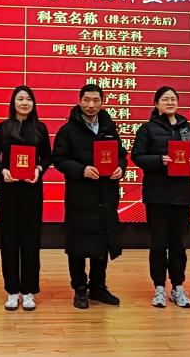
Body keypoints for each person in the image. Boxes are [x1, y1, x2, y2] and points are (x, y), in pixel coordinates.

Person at [52, 84, 127, 310]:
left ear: (102, 102)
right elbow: (59, 159)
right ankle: (79, 288)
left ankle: (98, 286)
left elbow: (121, 154)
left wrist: (121, 167)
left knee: (101, 242)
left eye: (96, 100)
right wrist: (81, 170)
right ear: (79, 101)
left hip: (105, 195)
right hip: (80, 196)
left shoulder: (109, 127)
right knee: (77, 245)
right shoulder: (68, 130)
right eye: (87, 100)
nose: (91, 105)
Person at [131, 86, 190, 308]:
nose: (170, 102)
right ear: (156, 104)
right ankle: (158, 288)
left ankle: (178, 287)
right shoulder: (147, 129)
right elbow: (137, 156)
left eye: (173, 99)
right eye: (165, 99)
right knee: (158, 243)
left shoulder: (187, 128)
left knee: (178, 244)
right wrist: (159, 160)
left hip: (182, 195)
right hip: (157, 194)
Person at [0, 86, 53, 311]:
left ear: (33, 104)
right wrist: (2, 171)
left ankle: (28, 291)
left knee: (31, 240)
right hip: (8, 190)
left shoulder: (40, 128)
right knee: (9, 240)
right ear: (13, 103)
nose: (24, 103)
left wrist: (38, 169)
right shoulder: (2, 128)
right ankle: (12, 290)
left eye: (28, 99)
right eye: (20, 99)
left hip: (32, 190)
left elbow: (48, 157)